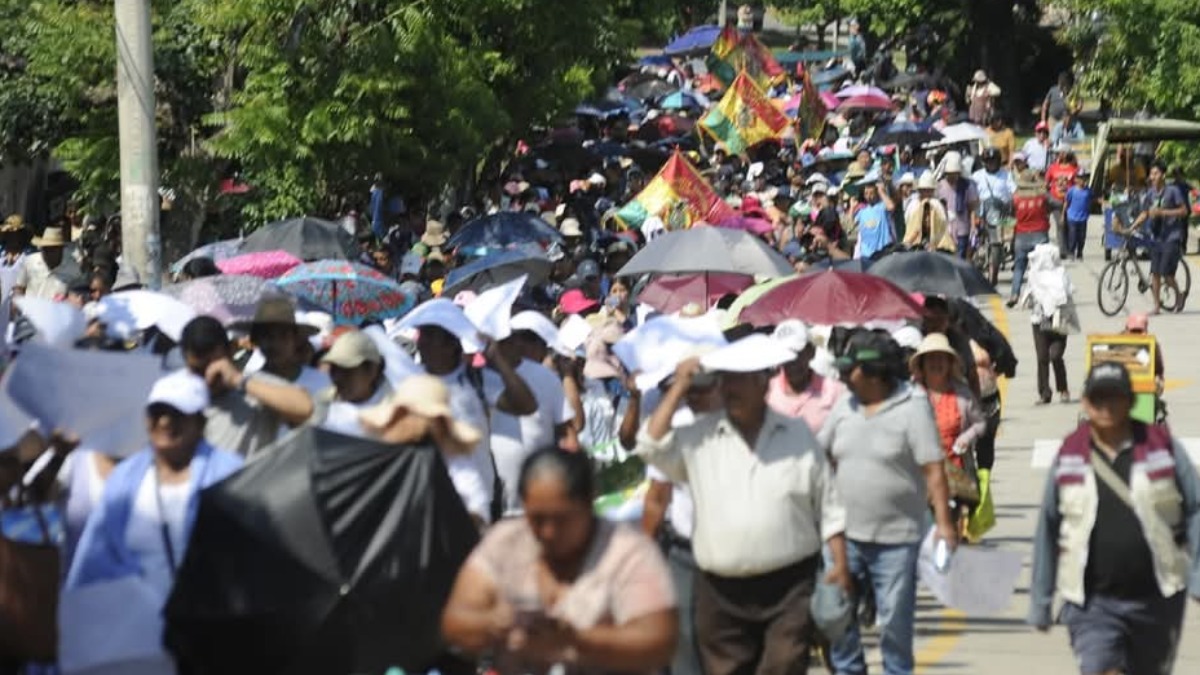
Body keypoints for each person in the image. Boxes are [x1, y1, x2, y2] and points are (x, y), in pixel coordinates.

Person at [637, 334, 850, 675]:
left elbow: (828, 502)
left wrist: (839, 562)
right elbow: (649, 444)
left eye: (739, 380)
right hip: (720, 590)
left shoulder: (797, 434)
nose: (730, 389)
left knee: (782, 664)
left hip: (790, 586)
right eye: (725, 380)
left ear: (762, 383)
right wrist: (679, 386)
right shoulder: (698, 438)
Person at [63, 370, 244, 675]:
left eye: (177, 414)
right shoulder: (125, 478)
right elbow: (95, 558)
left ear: (201, 423)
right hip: (134, 643)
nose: (164, 423)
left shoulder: (232, 475)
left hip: (208, 641)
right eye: (157, 413)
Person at [1028, 362, 1200, 675]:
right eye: (1098, 398)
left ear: (1131, 401)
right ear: (1085, 403)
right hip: (1091, 604)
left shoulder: (1163, 448)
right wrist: (1040, 598)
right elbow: (1048, 527)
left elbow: (1195, 509)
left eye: (1115, 397)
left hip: (1158, 598)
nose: (1106, 406)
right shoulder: (1070, 456)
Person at [441, 448, 678, 674]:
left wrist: (575, 640)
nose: (548, 532)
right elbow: (455, 621)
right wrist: (499, 622)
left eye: (562, 519)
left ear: (588, 503)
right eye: (537, 519)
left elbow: (659, 641)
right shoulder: (506, 541)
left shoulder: (628, 551)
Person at [818, 331, 958, 675]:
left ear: (876, 374)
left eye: (852, 370)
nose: (845, 376)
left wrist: (943, 524)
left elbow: (932, 469)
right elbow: (820, 455)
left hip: (897, 540)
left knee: (895, 626)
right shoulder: (844, 406)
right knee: (834, 616)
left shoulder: (912, 406)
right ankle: (850, 670)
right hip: (844, 537)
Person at [179, 316, 314, 458]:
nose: (208, 376)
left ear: (231, 351)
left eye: (214, 366)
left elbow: (305, 408)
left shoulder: (256, 388)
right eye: (198, 370)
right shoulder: (178, 397)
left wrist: (238, 381)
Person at [909, 333, 986, 535]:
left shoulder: (962, 394)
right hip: (920, 477)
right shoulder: (911, 396)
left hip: (954, 476)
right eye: (931, 358)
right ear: (922, 365)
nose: (936, 363)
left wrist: (965, 439)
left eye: (941, 358)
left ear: (949, 363)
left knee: (948, 528)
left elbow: (980, 424)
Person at [766, 320, 847, 433]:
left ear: (811, 352)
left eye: (797, 353)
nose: (791, 361)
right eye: (784, 355)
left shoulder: (836, 391)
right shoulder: (766, 392)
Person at [1020, 244, 1075, 404]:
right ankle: (1044, 392)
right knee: (1042, 357)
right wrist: (1029, 300)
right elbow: (1028, 294)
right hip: (1039, 320)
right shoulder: (1033, 275)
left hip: (1059, 319)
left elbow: (1068, 292)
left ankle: (1063, 388)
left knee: (1056, 355)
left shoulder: (1061, 273)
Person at [1132, 159, 1189, 314]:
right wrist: (1131, 228)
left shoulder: (1173, 191)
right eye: (1151, 173)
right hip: (1156, 237)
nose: (1152, 176)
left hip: (1172, 237)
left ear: (1163, 175)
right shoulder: (1150, 193)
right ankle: (1157, 306)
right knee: (1155, 273)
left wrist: (1163, 212)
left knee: (1167, 274)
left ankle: (1179, 295)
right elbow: (1145, 213)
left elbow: (1184, 211)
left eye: (1156, 173)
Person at [315, 330, 393, 438]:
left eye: (346, 369)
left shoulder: (397, 412)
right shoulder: (321, 405)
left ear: (372, 370)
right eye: (334, 369)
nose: (337, 377)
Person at [1008, 170, 1053, 307]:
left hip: (1021, 236)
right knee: (1040, 269)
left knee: (1019, 268)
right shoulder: (1042, 197)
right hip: (1040, 235)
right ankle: (1037, 297)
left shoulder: (1015, 198)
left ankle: (1015, 294)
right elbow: (1056, 203)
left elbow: (1009, 214)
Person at [13, 226, 80, 300]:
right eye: (45, 249)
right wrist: (17, 304)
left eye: (52, 250)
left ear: (60, 250)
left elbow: (77, 295)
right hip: (30, 309)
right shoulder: (30, 261)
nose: (48, 253)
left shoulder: (73, 268)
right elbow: (19, 287)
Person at [937, 152, 980, 259]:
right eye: (950, 173)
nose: (953, 176)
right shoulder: (939, 187)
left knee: (960, 258)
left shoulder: (967, 186)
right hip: (944, 230)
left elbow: (972, 207)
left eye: (955, 173)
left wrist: (973, 227)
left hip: (962, 229)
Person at [902, 173, 952, 252]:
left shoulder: (936, 204)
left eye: (928, 190)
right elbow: (907, 222)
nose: (925, 192)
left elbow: (943, 222)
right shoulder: (913, 204)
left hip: (935, 242)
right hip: (914, 242)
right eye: (923, 190)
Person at [1063, 171, 1094, 260]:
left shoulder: (1088, 191)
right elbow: (1066, 202)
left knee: (1082, 237)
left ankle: (1080, 252)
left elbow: (1092, 199)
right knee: (1072, 236)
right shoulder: (1071, 190)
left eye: (1083, 178)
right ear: (1076, 179)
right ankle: (1071, 252)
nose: (1082, 180)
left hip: (1083, 218)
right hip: (1072, 217)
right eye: (1080, 178)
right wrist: (1063, 214)